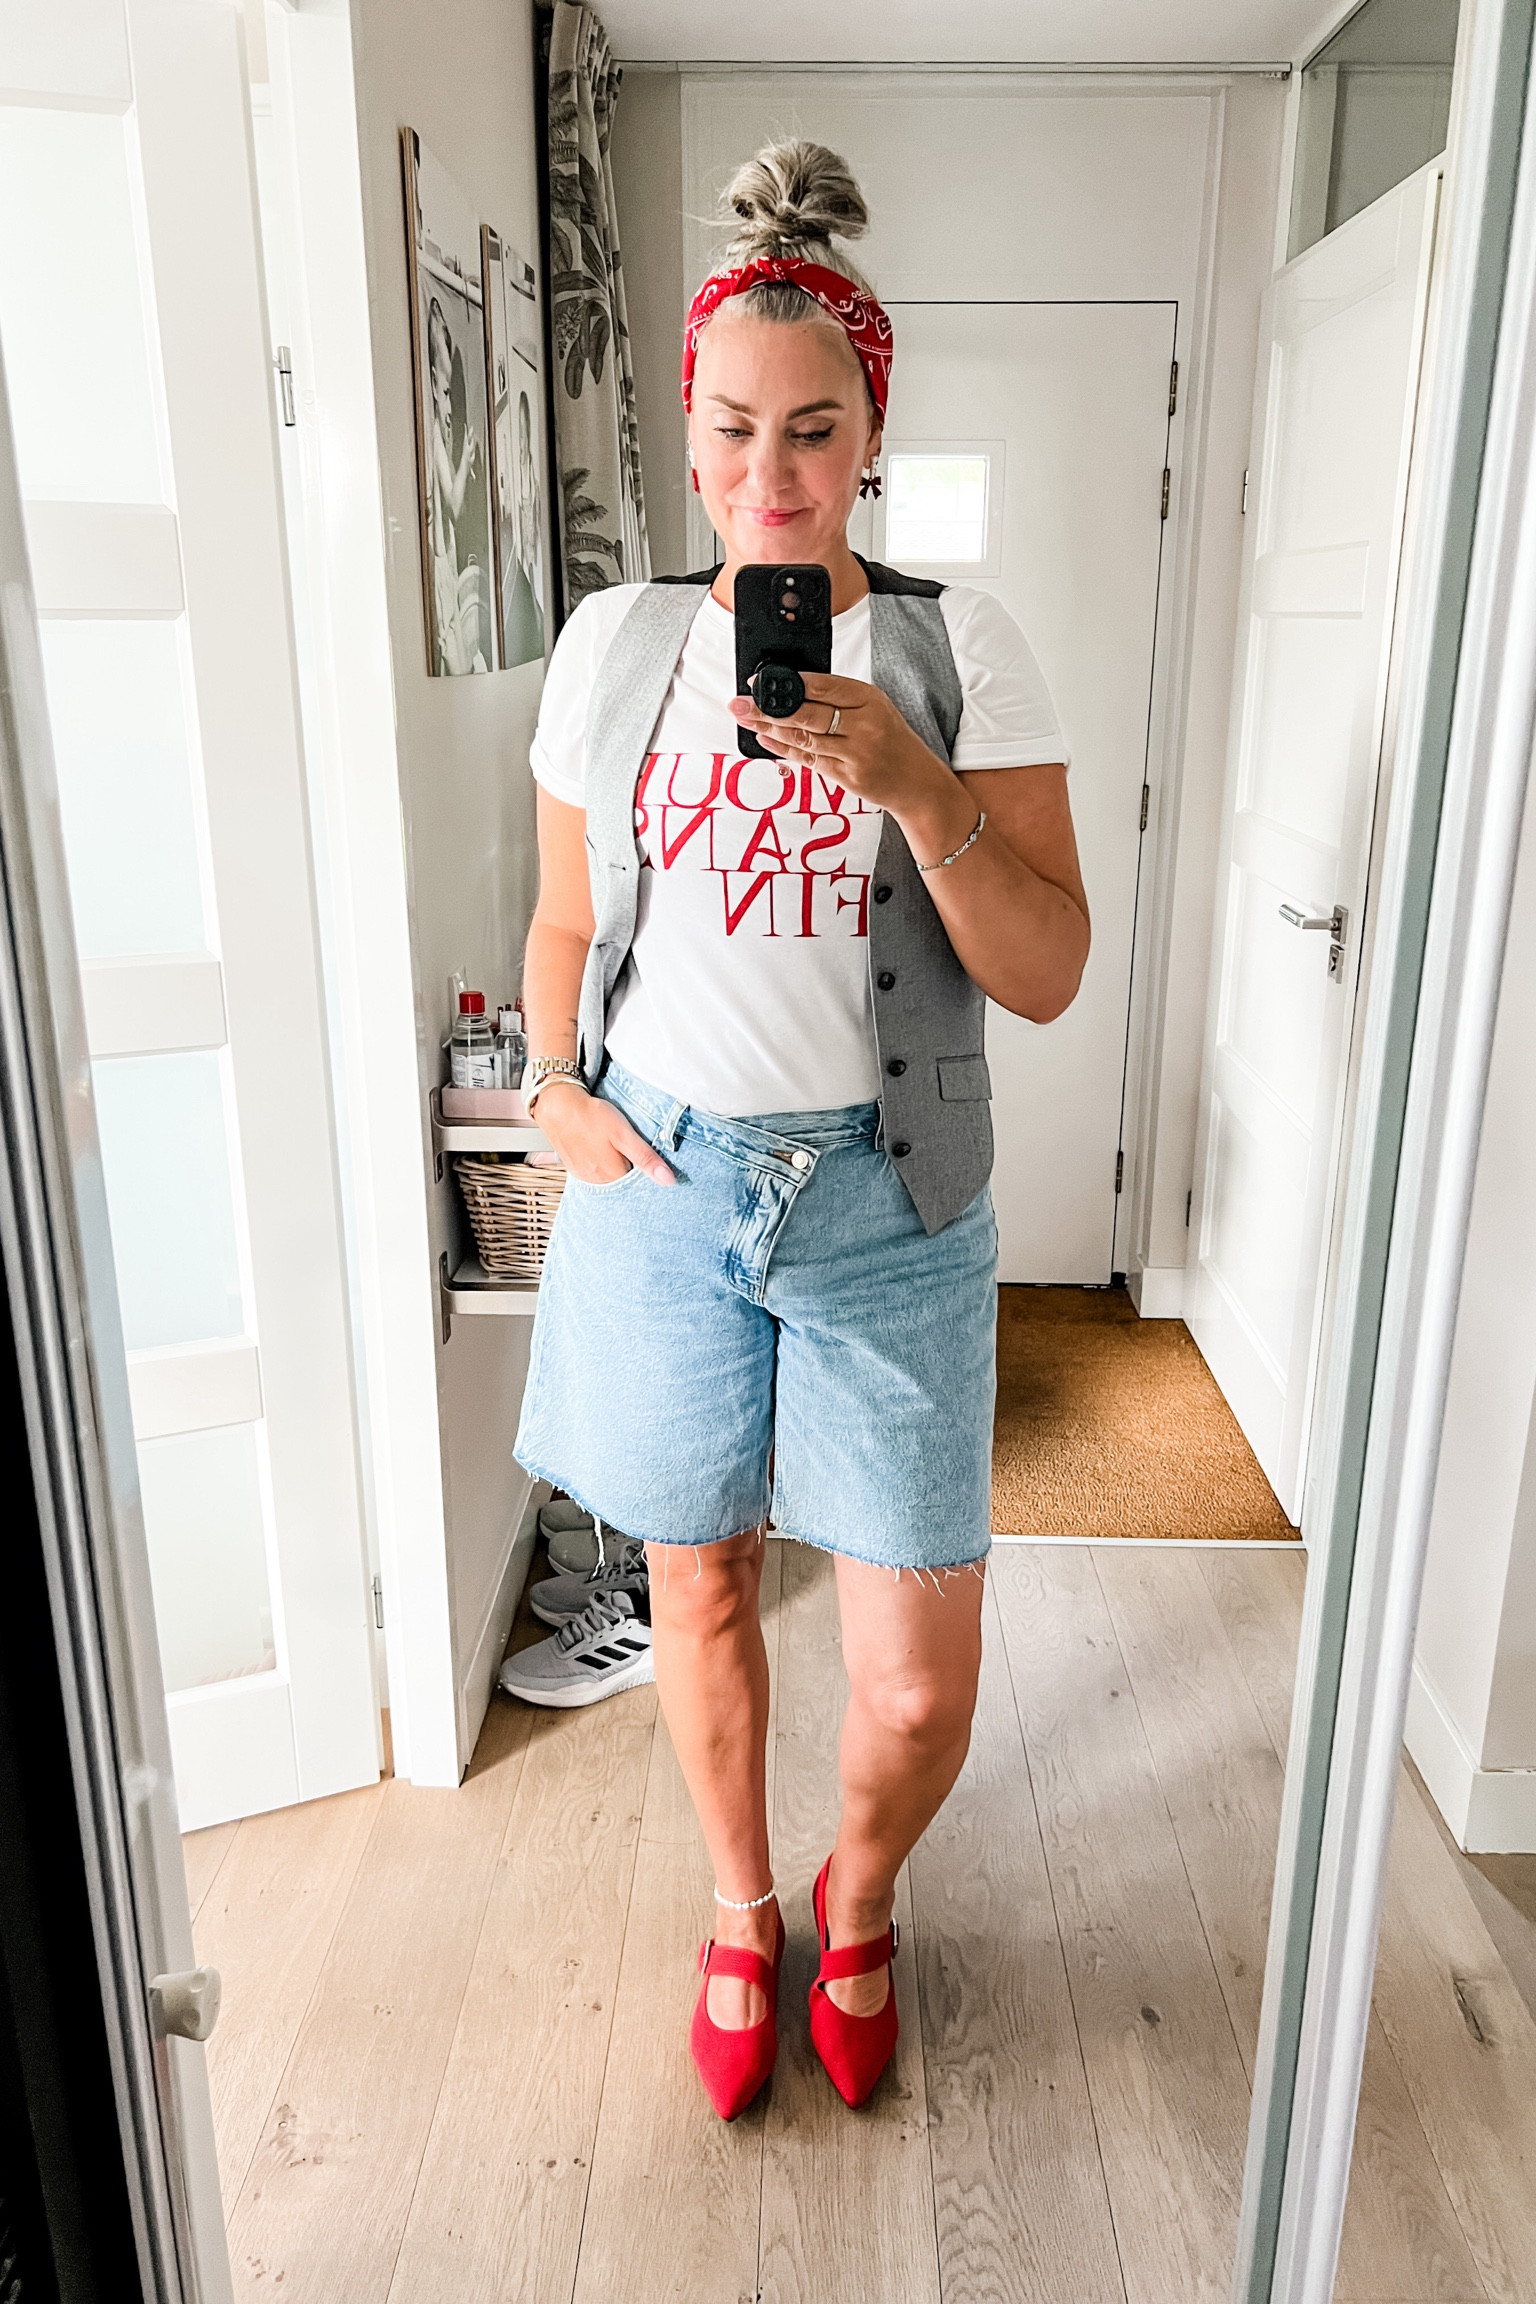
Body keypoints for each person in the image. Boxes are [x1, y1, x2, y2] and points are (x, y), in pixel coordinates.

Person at [511, 140, 1089, 2119]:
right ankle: (748, 1913)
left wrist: (918, 785)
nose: (772, 472)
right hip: (663, 1189)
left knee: (920, 1677)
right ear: (690, 440)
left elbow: (1047, 968)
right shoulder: (615, 650)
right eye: (736, 430)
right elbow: (569, 917)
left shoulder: (957, 648)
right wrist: (553, 1086)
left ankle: (864, 1893)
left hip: (888, 1196)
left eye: (814, 431)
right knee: (696, 1590)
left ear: (870, 439)